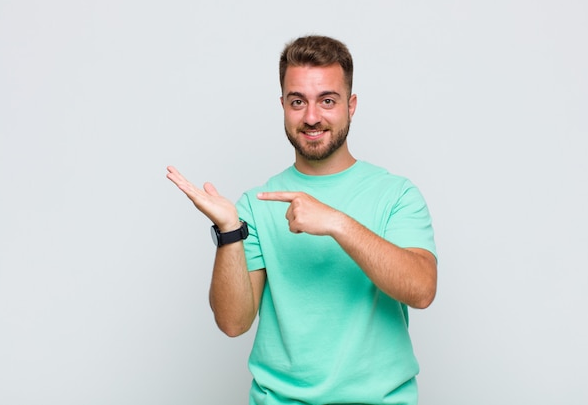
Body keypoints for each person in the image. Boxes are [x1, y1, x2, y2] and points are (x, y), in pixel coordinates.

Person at [166, 35, 437, 405]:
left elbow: (421, 290)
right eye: (298, 102)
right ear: (282, 106)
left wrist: (337, 222)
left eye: (327, 100)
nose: (312, 117)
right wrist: (230, 231)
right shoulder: (257, 204)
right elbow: (233, 323)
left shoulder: (397, 194)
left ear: (351, 105)